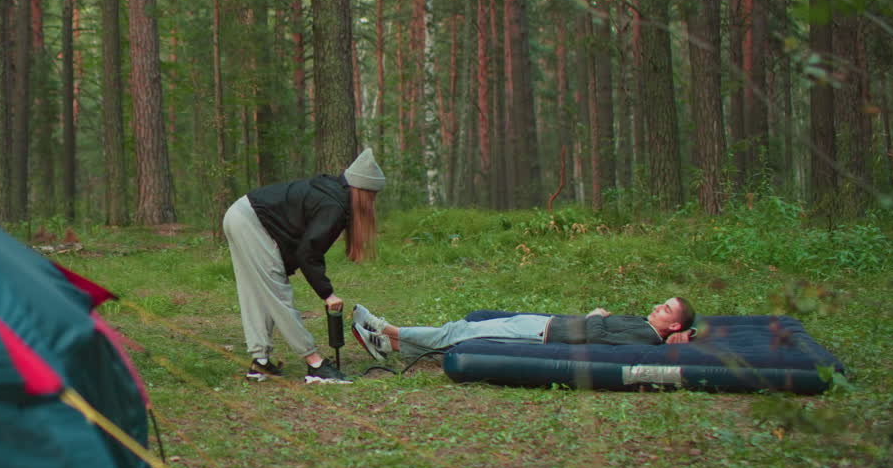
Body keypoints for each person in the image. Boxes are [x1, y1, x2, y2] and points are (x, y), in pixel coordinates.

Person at [223, 148, 385, 384]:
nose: (373, 202)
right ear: (363, 191)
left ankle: (260, 363)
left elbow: (301, 241)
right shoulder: (335, 206)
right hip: (251, 221)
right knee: (277, 295)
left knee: (257, 294)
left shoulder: (333, 195)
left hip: (240, 215)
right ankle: (315, 365)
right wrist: (327, 294)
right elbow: (308, 253)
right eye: (373, 195)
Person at [350, 297, 697, 361]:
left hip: (541, 336)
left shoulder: (646, 336)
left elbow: (597, 336)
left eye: (665, 309)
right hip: (546, 325)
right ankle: (388, 346)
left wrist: (593, 315)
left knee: (458, 333)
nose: (656, 307)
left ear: (675, 324)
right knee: (463, 329)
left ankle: (384, 328)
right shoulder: (646, 325)